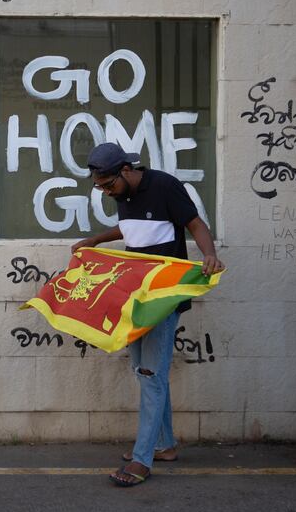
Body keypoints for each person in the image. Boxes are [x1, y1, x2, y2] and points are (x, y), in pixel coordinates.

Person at [71, 142, 224, 487]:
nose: (107, 192)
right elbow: (132, 232)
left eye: (109, 185)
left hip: (164, 300)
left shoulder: (166, 186)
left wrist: (209, 255)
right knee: (144, 372)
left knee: (151, 374)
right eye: (101, 187)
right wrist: (96, 239)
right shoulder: (122, 196)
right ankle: (165, 444)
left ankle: (142, 460)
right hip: (136, 297)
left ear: (126, 170)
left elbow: (195, 224)